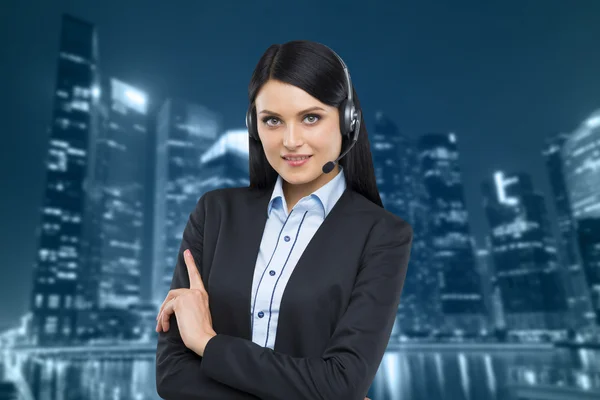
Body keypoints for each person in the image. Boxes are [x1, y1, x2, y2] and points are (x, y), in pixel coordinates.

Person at [154, 40, 413, 400]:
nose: (291, 141)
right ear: (253, 125)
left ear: (347, 120)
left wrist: (207, 344)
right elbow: (173, 377)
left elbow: (341, 383)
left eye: (311, 117)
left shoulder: (383, 235)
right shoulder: (213, 214)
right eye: (272, 120)